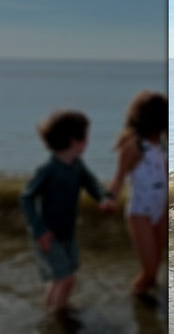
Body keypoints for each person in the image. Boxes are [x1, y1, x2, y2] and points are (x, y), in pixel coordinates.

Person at [20, 110, 117, 313]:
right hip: (48, 235)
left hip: (67, 232)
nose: (88, 140)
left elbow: (92, 185)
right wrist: (39, 231)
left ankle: (51, 310)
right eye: (85, 135)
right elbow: (26, 198)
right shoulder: (48, 170)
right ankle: (57, 317)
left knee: (63, 276)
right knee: (66, 278)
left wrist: (104, 198)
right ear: (75, 140)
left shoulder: (77, 166)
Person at [108, 91, 168, 299]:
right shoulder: (133, 147)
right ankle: (135, 299)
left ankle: (147, 306)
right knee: (150, 271)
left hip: (159, 210)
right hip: (140, 211)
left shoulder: (162, 146)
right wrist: (109, 198)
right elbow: (118, 178)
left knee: (156, 268)